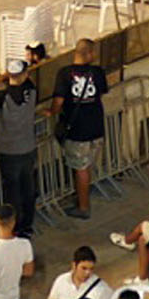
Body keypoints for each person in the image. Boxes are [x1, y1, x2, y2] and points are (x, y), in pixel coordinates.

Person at [0, 61, 39, 236]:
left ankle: (14, 228)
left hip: (9, 152)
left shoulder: (1, 98)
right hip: (28, 148)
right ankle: (27, 225)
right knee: (28, 190)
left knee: (12, 193)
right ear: (25, 74)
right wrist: (6, 78)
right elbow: (24, 79)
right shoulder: (31, 91)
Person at [48, 38, 107, 218]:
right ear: (88, 53)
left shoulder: (64, 74)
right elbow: (102, 92)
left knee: (81, 168)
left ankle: (83, 207)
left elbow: (58, 101)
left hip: (77, 130)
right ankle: (83, 199)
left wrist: (51, 112)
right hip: (96, 127)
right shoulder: (97, 72)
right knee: (87, 166)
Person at [44, 244, 114, 299]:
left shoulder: (101, 288)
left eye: (91, 269)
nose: (88, 273)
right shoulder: (61, 280)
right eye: (84, 268)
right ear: (74, 266)